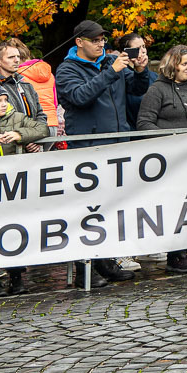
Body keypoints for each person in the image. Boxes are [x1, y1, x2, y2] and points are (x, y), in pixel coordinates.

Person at [56, 20, 148, 284]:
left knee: (111, 207)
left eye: (102, 39)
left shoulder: (110, 62)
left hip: (117, 145)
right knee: (87, 210)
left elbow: (137, 90)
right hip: (88, 149)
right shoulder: (67, 69)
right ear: (79, 42)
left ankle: (107, 262)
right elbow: (79, 97)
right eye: (95, 40)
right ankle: (84, 269)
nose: (100, 44)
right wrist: (111, 72)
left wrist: (140, 70)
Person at [137, 44, 187, 275]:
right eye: (184, 64)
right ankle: (175, 254)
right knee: (176, 204)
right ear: (173, 64)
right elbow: (144, 122)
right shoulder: (157, 90)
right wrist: (171, 140)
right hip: (174, 159)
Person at [0, 41, 47, 152]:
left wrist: (36, 139)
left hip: (34, 145)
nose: (16, 60)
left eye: (18, 56)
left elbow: (40, 114)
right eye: (11, 57)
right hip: (8, 148)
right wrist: (24, 138)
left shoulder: (26, 85)